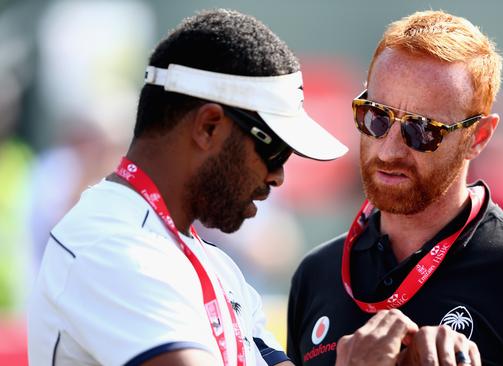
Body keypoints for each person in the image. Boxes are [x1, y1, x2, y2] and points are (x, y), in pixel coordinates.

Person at [287, 10, 503, 366]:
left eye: (422, 131)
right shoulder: (317, 274)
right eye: (376, 117)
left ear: (479, 138)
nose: (389, 148)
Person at [27, 9, 350, 366]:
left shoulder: (217, 265)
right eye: (273, 149)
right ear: (209, 127)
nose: (277, 176)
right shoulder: (109, 243)